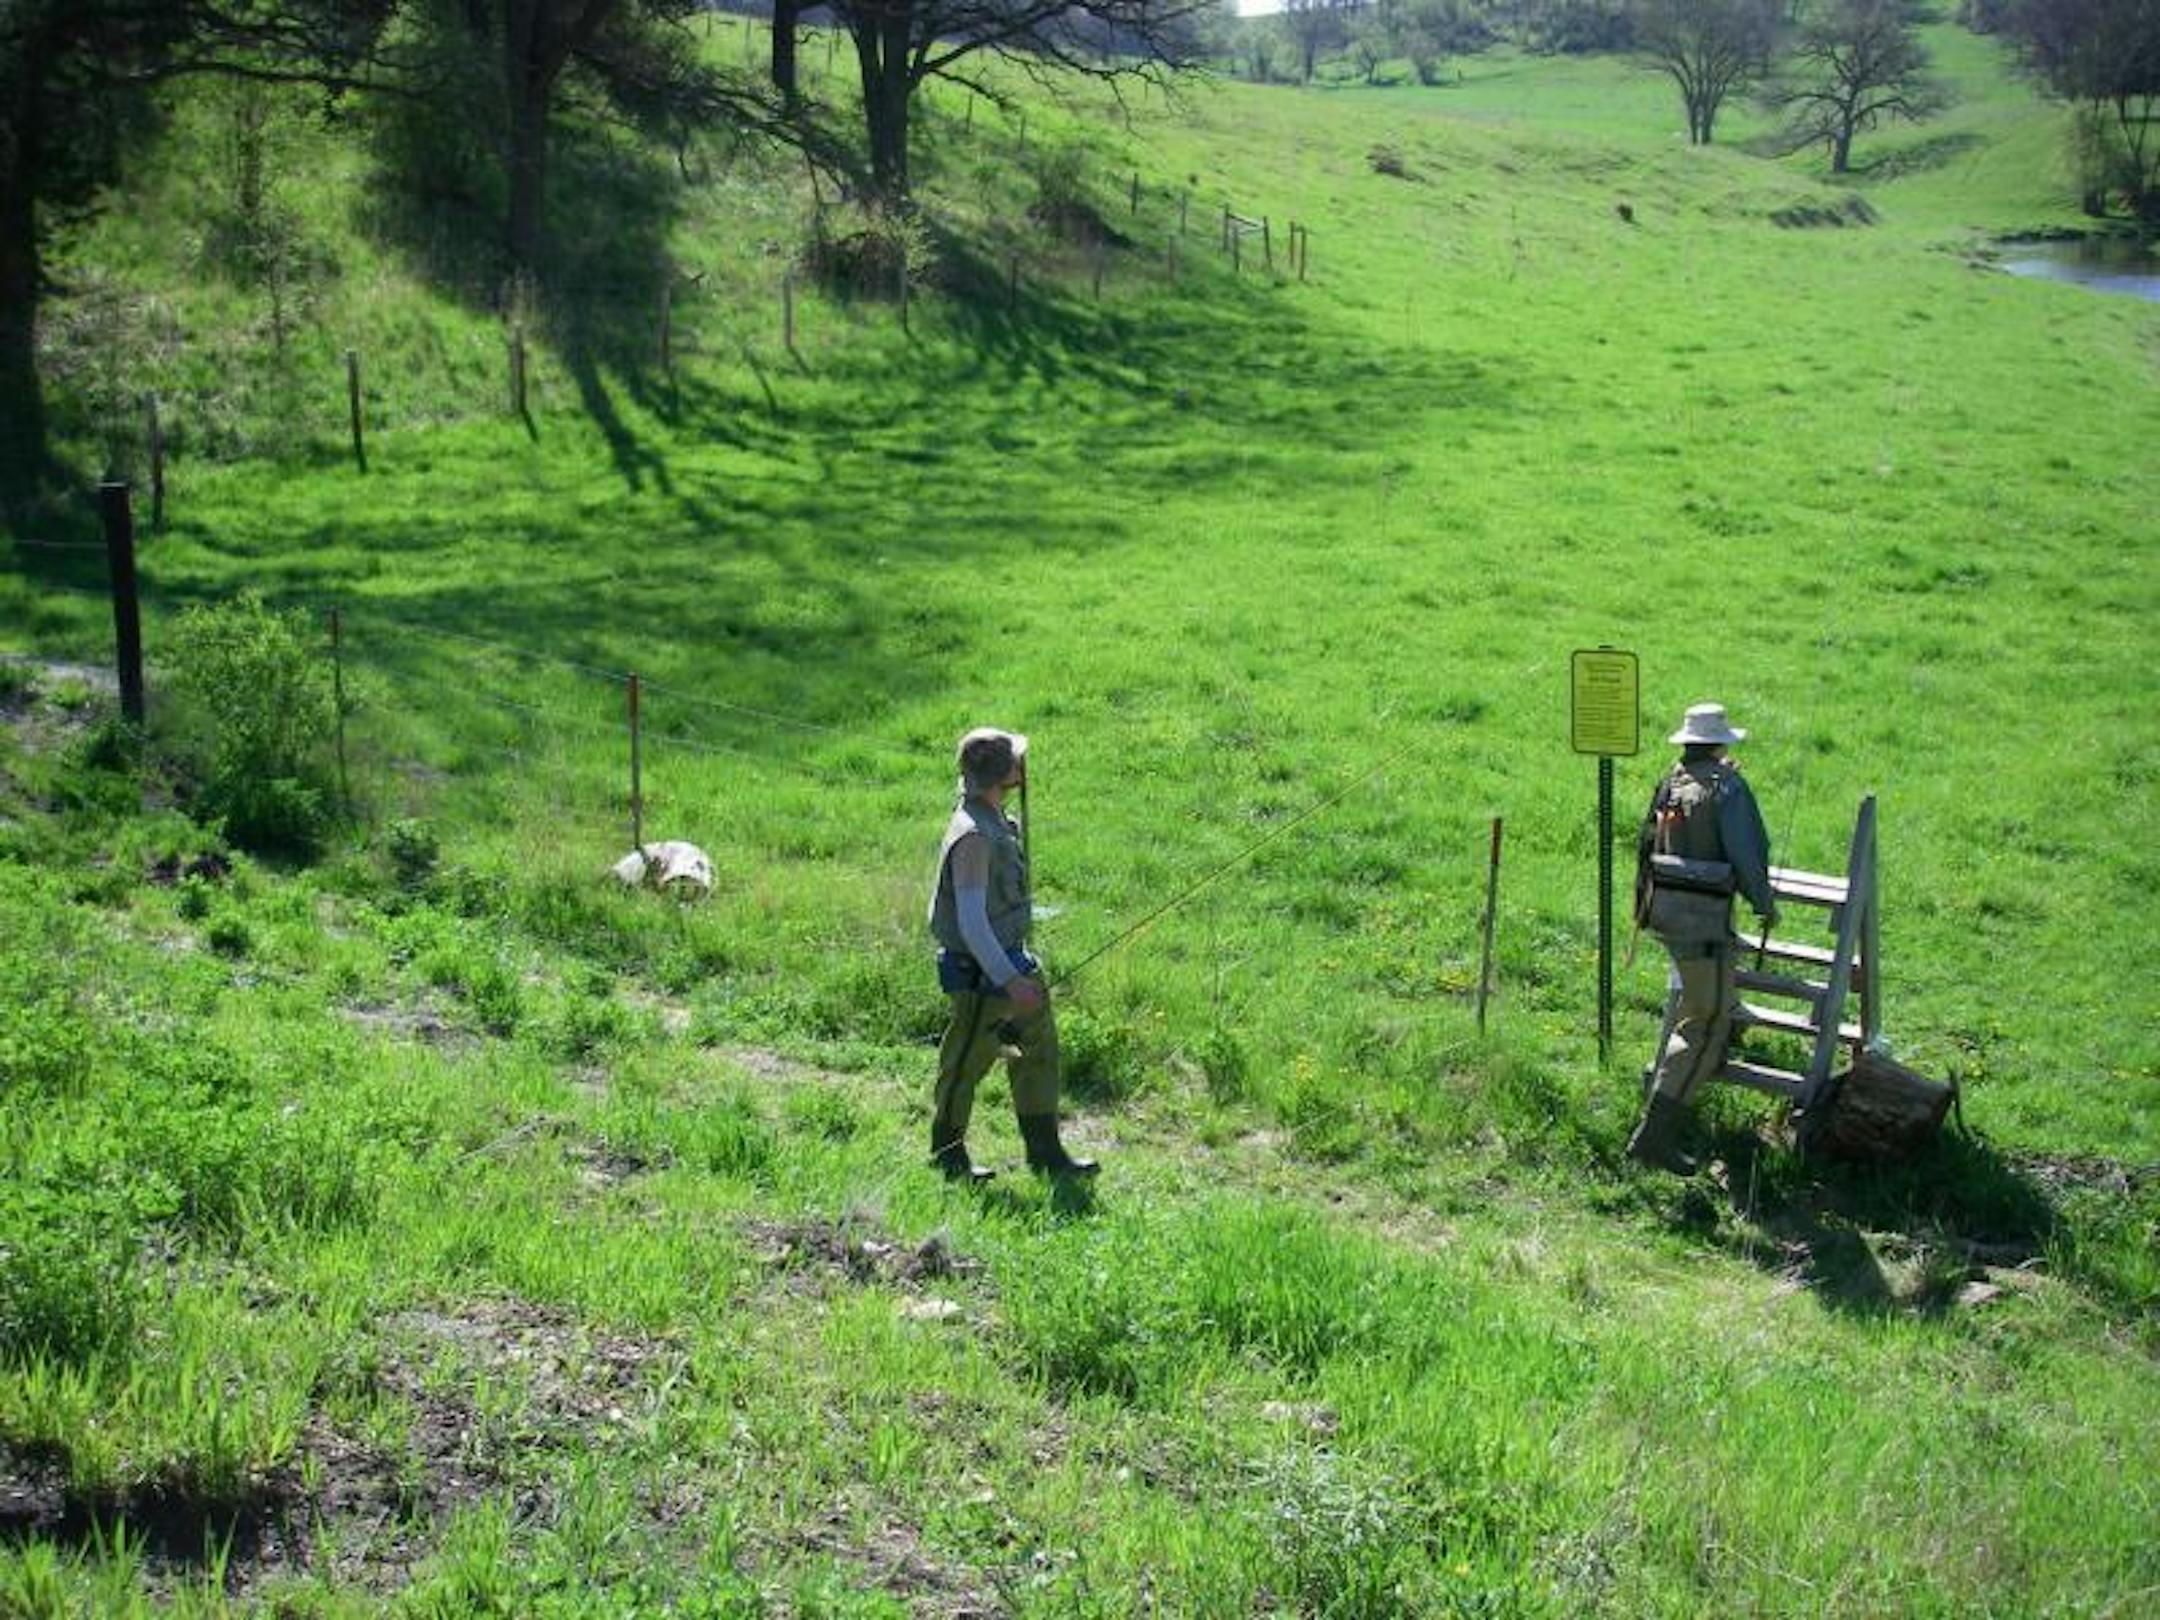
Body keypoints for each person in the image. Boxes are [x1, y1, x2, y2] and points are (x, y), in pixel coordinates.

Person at [925, 727, 1098, 1183]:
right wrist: (1009, 978)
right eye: (1017, 761)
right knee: (965, 1064)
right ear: (1006, 773)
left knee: (1037, 1051)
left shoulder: (995, 820)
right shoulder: (974, 837)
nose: (1024, 767)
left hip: (1011, 964)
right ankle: (948, 1157)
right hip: (985, 974)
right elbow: (971, 923)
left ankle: (1045, 1153)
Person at [1626, 702, 1777, 1175]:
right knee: (1705, 1022)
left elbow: (1647, 846)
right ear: (1720, 743)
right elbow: (1748, 854)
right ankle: (1655, 1136)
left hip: (1668, 914)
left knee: (1711, 1013)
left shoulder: (1671, 781)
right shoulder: (1727, 787)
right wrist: (1764, 902)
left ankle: (1666, 1127)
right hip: (1705, 922)